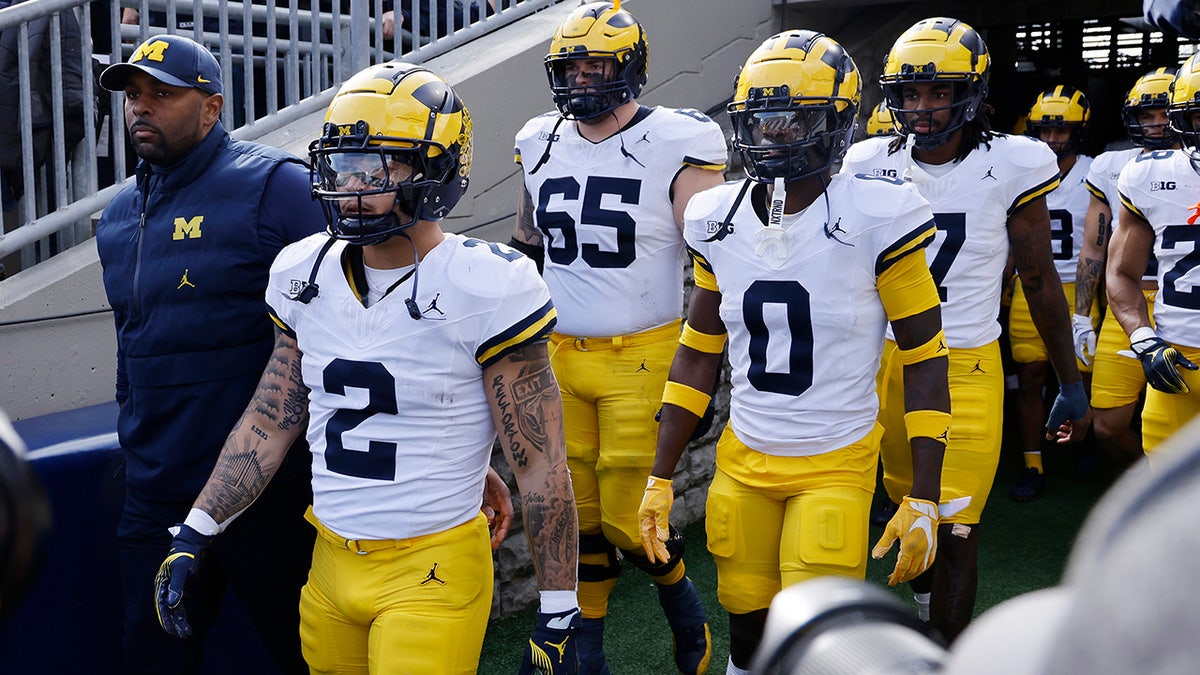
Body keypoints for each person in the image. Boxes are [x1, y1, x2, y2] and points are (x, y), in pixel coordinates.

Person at [151, 61, 580, 675]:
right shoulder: (303, 271)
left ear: (436, 171)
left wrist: (560, 608)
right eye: (342, 164)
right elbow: (271, 419)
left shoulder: (489, 283)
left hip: (430, 568)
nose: (352, 185)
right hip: (328, 562)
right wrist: (197, 529)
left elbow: (540, 462)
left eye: (378, 166)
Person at [638, 30, 949, 675]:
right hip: (746, 454)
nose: (776, 136)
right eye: (762, 120)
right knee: (747, 627)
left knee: (816, 634)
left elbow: (924, 356)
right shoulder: (715, 217)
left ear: (838, 125)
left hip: (835, 456)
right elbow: (698, 351)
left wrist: (923, 495)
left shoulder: (879, 213)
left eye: (795, 120)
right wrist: (660, 475)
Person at [840, 17, 1091, 643]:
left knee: (954, 524)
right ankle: (928, 625)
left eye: (939, 92)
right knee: (909, 510)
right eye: (911, 93)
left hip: (965, 361)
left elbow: (1036, 278)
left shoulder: (1015, 161)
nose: (922, 108)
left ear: (971, 92)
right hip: (887, 361)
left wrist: (1070, 377)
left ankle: (947, 655)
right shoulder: (865, 159)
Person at [507, 3, 727, 673]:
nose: (580, 80)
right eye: (570, 66)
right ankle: (590, 640)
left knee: (636, 519)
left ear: (630, 66)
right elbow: (527, 245)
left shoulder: (679, 139)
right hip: (559, 355)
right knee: (576, 513)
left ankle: (682, 605)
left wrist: (710, 368)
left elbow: (716, 264)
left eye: (595, 63)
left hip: (644, 351)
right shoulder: (538, 138)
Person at [94, 34, 323, 675]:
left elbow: (350, 322)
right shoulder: (115, 219)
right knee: (151, 659)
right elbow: (131, 345)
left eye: (162, 94)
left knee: (310, 657)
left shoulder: (279, 187)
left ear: (212, 106)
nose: (141, 107)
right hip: (156, 495)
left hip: (268, 492)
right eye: (134, 95)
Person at [1073, 68, 1179, 471]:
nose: (1155, 124)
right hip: (1127, 303)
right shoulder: (1111, 167)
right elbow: (1094, 246)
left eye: (1163, 113)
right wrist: (1082, 315)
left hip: (1182, 302)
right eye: (1146, 115)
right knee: (1108, 423)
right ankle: (1152, 486)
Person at [1106, 54, 1200, 454]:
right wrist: (1144, 339)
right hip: (1178, 359)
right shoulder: (1150, 175)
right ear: (1184, 119)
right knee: (1173, 509)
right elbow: (1121, 273)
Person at [1008, 85, 1095, 501]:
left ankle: (1083, 442)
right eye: (1045, 129)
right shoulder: (1020, 170)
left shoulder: (1096, 171)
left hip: (1078, 286)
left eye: (1062, 131)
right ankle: (1032, 461)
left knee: (1082, 375)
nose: (1052, 138)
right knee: (1030, 377)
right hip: (1030, 285)